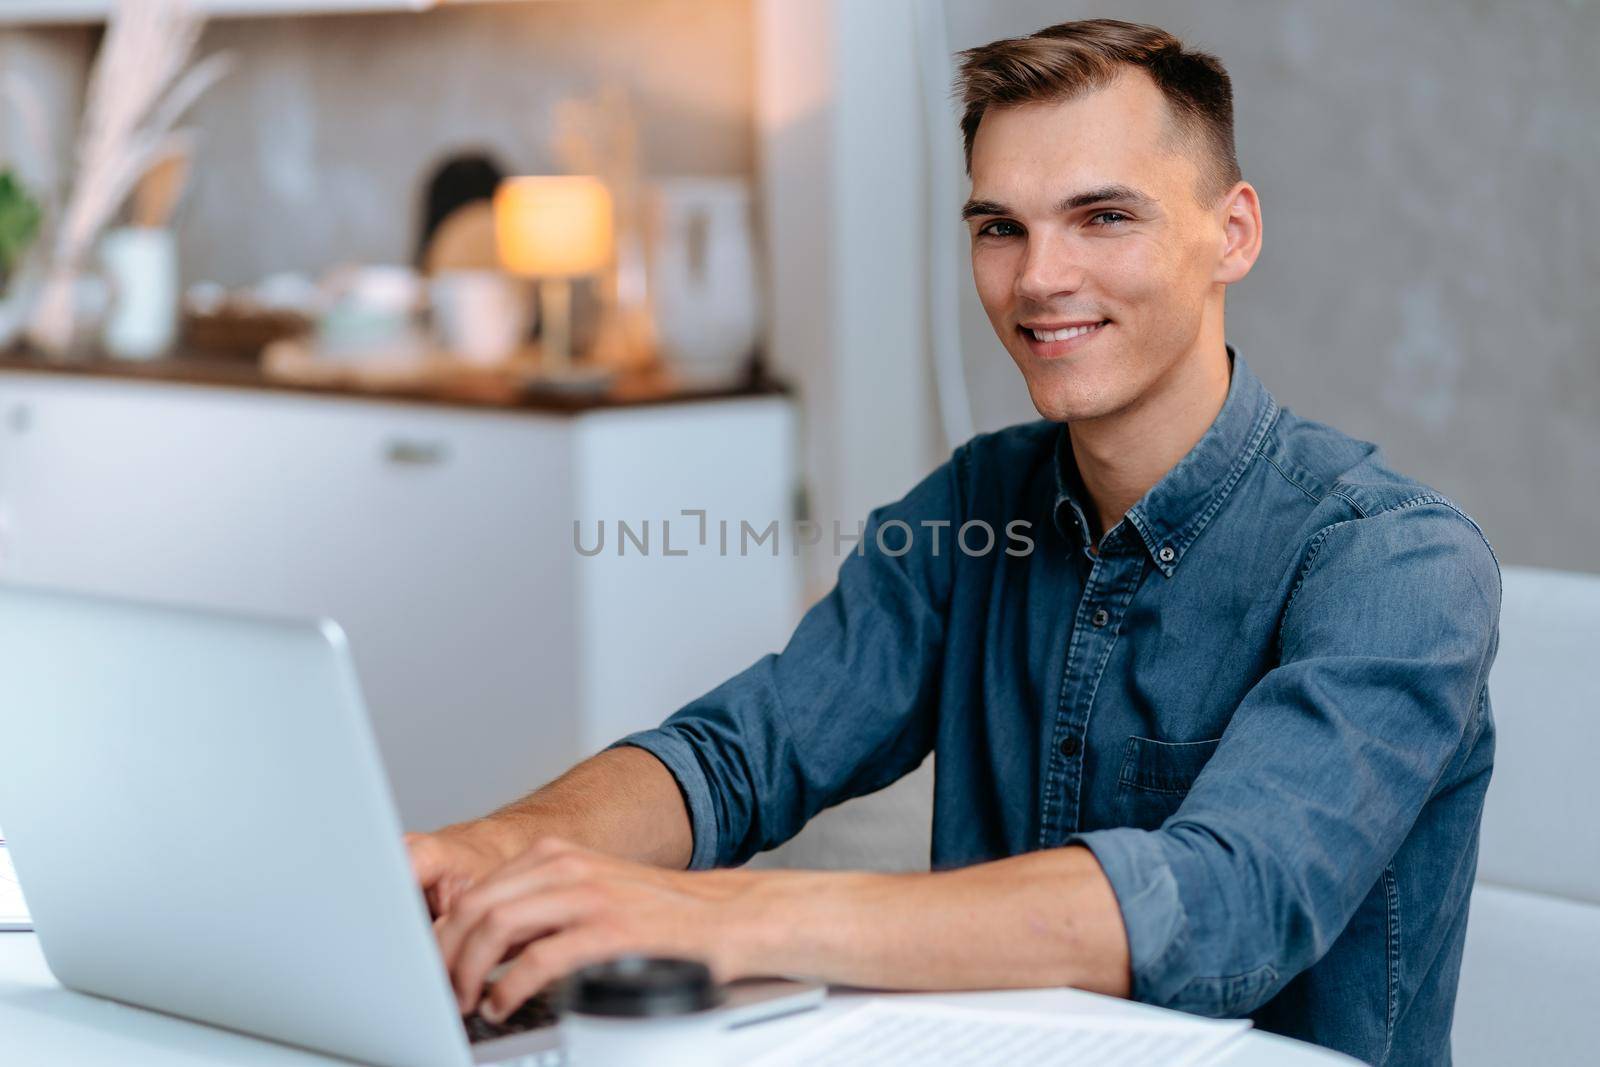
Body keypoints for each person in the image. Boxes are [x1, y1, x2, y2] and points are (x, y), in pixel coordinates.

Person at [409, 20, 1499, 1066]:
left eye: (1102, 217)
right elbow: (740, 751)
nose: (1037, 278)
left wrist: (720, 915)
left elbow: (1222, 902)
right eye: (999, 226)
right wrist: (504, 850)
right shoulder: (976, 501)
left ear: (1233, 232)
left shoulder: (1396, 561)